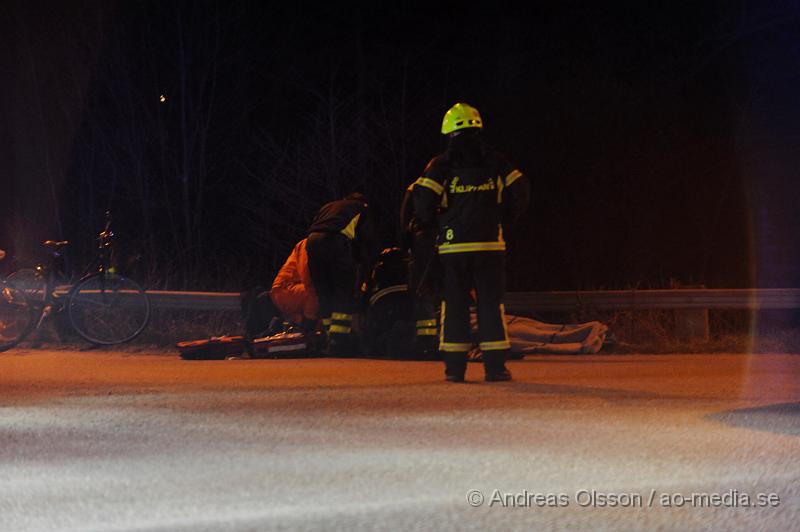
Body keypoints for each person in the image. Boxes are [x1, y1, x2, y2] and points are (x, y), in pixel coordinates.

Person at [413, 102, 530, 382]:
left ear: (448, 130)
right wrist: (504, 218)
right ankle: (495, 368)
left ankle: (455, 369)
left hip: (453, 249)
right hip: (490, 247)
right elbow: (521, 191)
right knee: (491, 306)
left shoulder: (440, 165)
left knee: (454, 307)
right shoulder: (497, 162)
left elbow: (422, 202)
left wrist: (433, 224)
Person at [305, 192, 376, 355]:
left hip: (312, 242)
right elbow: (365, 239)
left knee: (324, 291)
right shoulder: (362, 208)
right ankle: (340, 340)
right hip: (335, 242)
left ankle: (330, 336)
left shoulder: (328, 206)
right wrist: (364, 264)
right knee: (342, 290)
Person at [400, 182, 440, 358]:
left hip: (423, 239)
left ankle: (426, 341)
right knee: (449, 289)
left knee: (422, 288)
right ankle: (449, 339)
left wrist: (405, 243)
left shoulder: (417, 186)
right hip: (454, 239)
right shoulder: (454, 179)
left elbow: (405, 215)